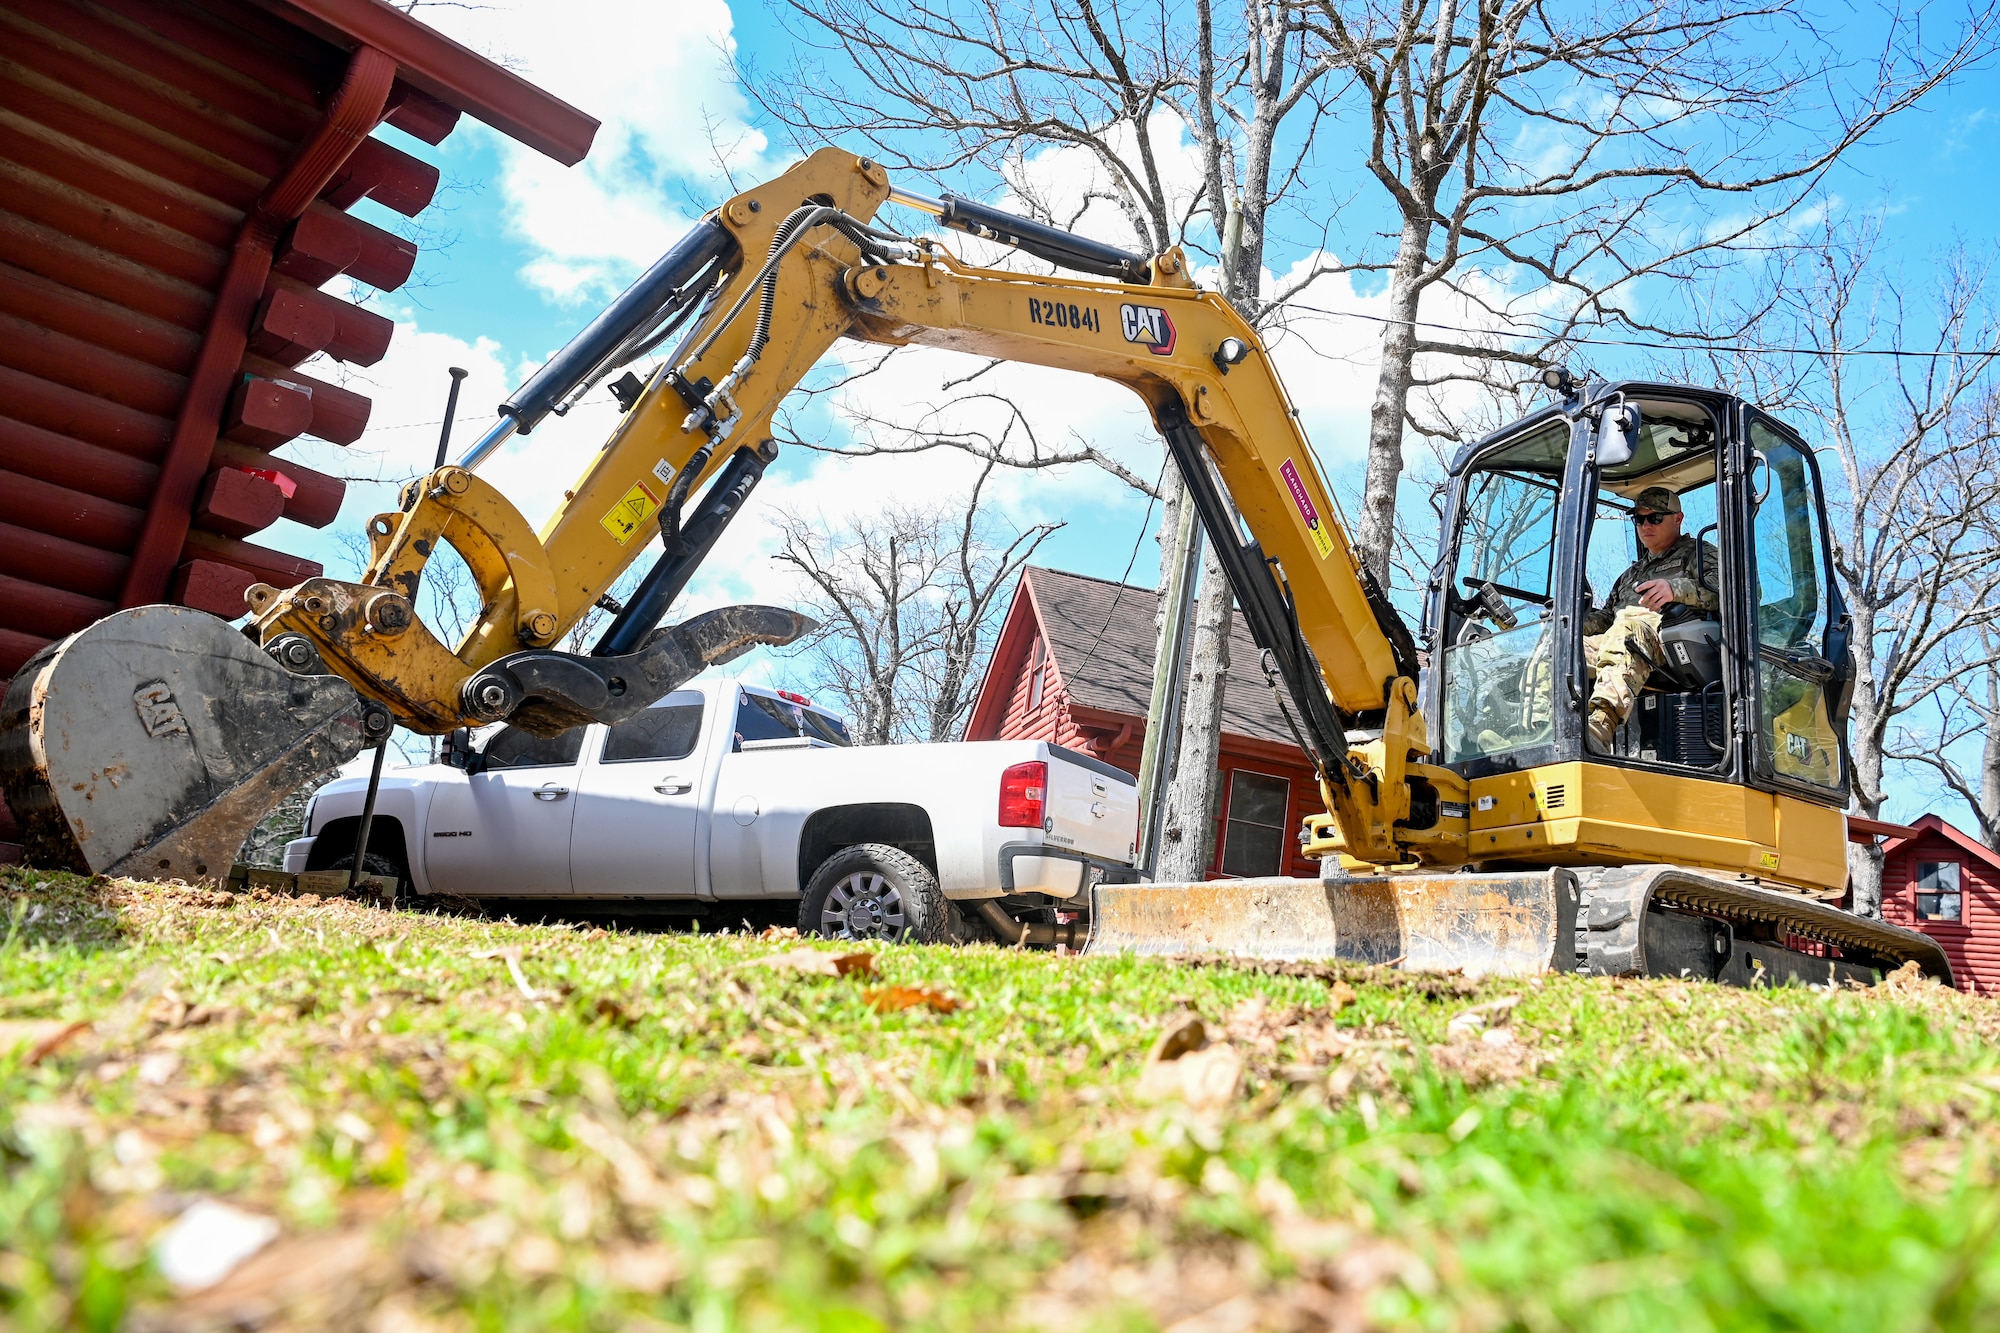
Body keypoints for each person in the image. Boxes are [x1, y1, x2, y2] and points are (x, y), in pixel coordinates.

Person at [1581, 485, 1719, 748]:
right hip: (1620, 639)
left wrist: (1675, 590)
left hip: (1672, 643)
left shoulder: (1698, 554)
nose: (1645, 525)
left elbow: (1732, 590)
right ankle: (1539, 728)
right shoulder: (1630, 575)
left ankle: (1600, 727)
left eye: (1655, 518)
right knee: (1562, 649)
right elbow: (1608, 616)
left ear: (1677, 519)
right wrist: (1569, 624)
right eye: (1639, 519)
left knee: (1626, 630)